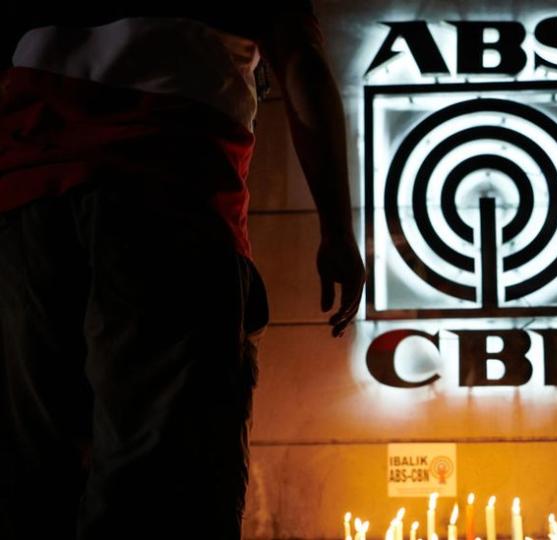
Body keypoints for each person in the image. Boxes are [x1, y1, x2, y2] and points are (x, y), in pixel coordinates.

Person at [0, 2, 365, 539]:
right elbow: (302, 62)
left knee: (32, 467)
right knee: (164, 473)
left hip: (23, 202)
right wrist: (336, 229)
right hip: (166, 186)